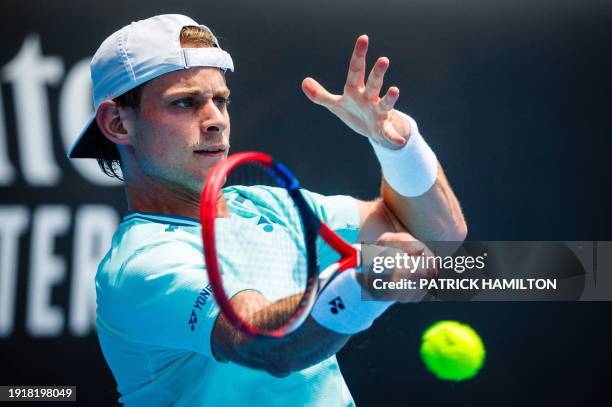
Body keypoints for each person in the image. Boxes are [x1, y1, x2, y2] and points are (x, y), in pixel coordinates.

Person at [68, 14, 466, 406]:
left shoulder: (267, 208)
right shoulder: (140, 264)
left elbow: (439, 236)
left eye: (220, 100)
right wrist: (364, 280)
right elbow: (266, 344)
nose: (215, 121)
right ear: (118, 124)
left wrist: (394, 144)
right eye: (185, 103)